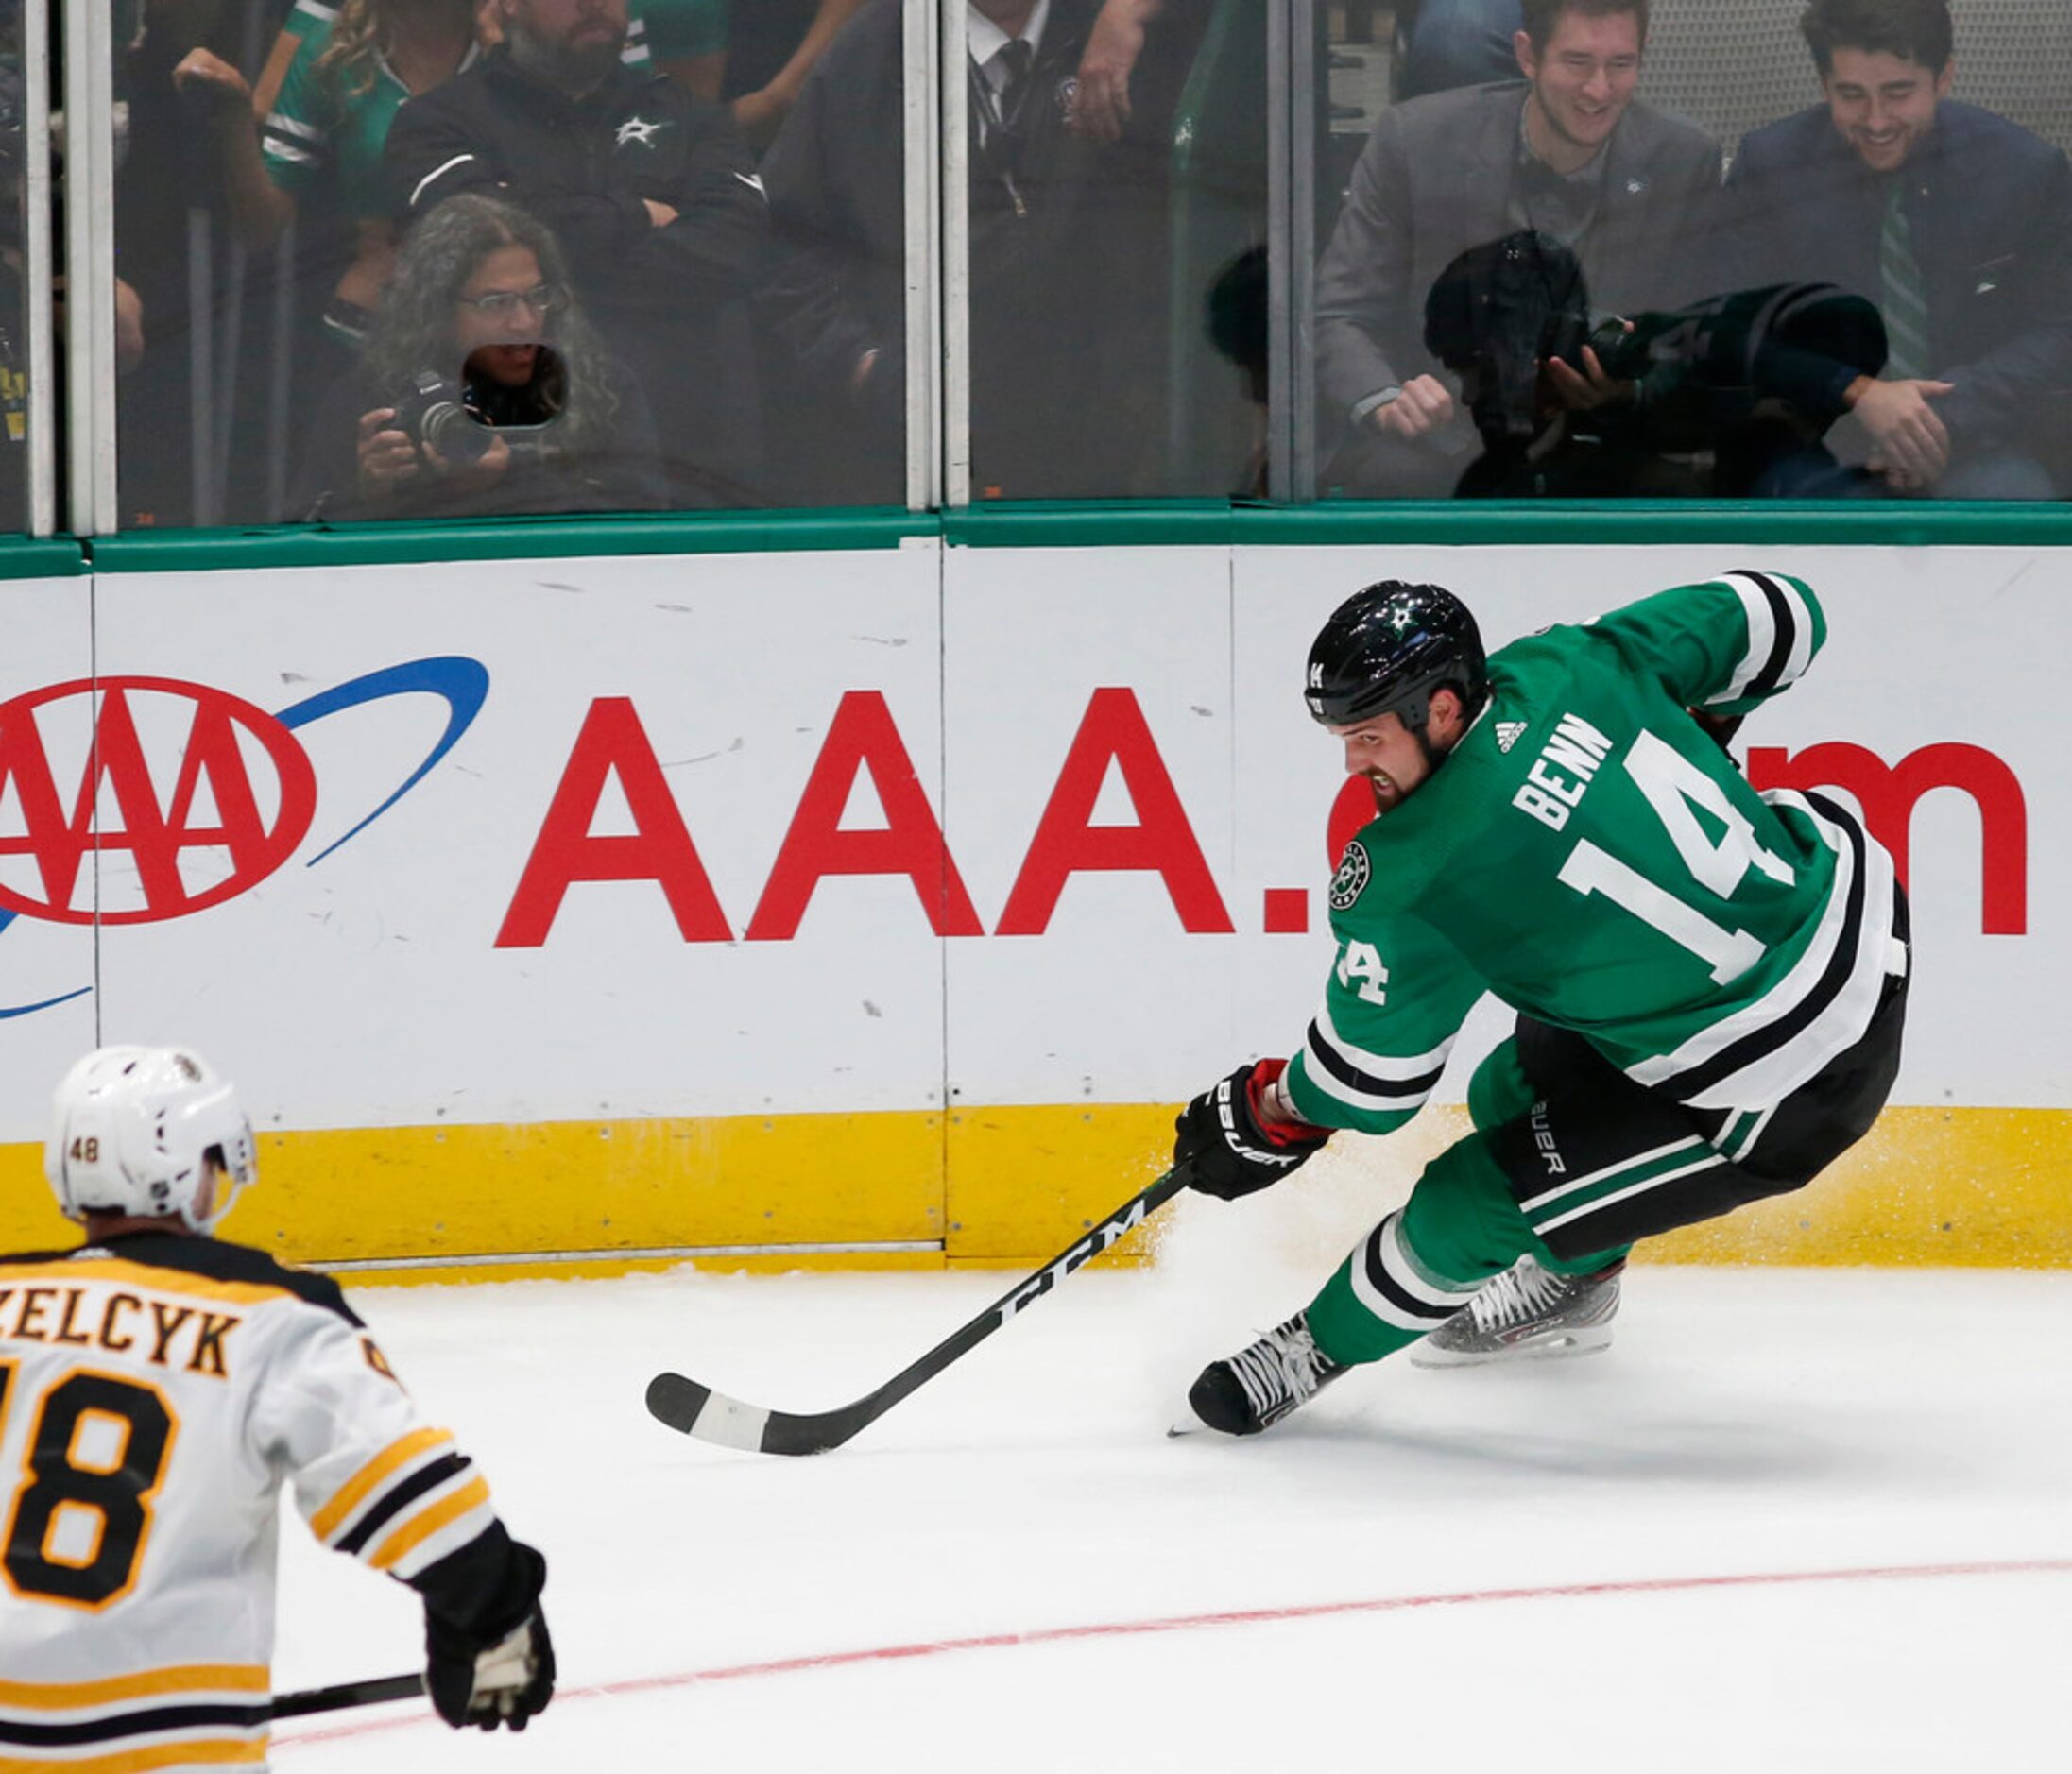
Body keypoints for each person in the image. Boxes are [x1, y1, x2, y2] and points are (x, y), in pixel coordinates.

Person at [1170, 572, 1910, 1434]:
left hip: (1787, 1080)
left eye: (1367, 736)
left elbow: (1371, 1085)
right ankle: (1576, 1283)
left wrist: (1269, 1113)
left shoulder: (1414, 872)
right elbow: (1783, 612)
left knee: (1471, 1198)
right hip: (1849, 915)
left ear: (1441, 709)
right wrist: (1696, 730)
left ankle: (1310, 1349)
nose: (1352, 763)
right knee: (1509, 1093)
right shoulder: (1567, 663)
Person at [0, 1045, 553, 1759]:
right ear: (183, 1170)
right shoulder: (271, 1314)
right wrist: (496, 1619)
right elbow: (416, 1503)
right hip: (157, 1740)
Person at [1313, 0, 1722, 497]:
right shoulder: (1414, 141)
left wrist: (1628, 389)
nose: (1599, 90)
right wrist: (1386, 400)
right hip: (1442, 441)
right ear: (1527, 56)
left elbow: (1702, 342)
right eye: (1577, 63)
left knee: (1679, 498)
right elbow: (1339, 312)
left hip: (1602, 444)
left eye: (1621, 64)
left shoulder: (1685, 158)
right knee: (1386, 481)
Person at [385, 0, 771, 503]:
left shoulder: (691, 119)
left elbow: (739, 252)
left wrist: (548, 245)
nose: (593, 4)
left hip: (689, 458)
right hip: (502, 463)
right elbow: (464, 250)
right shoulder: (436, 124)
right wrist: (636, 216)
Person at [759, 0, 1139, 503]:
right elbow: (778, 240)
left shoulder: (1121, 35)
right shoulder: (874, 49)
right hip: (913, 467)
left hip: (1104, 463)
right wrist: (858, 364)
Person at [1720, 0, 2072, 499]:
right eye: (1852, 95)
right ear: (1824, 86)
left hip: (1981, 437)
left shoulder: (2025, 173)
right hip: (1821, 439)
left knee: (2012, 504)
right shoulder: (1769, 170)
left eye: (1898, 93)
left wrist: (1940, 417)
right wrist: (1853, 390)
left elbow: (2060, 331)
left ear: (1943, 78)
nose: (1877, 121)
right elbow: (1735, 327)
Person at [294, 191, 665, 519]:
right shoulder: (372, 397)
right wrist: (369, 494)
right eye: (496, 302)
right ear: (436, 308)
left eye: (537, 296)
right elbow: (299, 543)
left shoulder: (599, 386)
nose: (523, 322)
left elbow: (646, 523)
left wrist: (513, 481)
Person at [172, 0, 487, 354]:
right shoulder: (335, 50)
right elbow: (260, 227)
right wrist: (234, 120)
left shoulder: (510, 49)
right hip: (369, 334)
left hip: (507, 324)